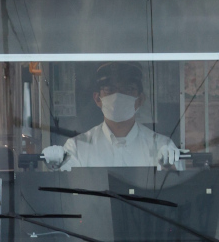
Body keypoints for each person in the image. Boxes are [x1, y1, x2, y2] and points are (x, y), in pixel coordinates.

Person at [42, 61, 183, 171]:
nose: (118, 96)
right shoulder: (77, 148)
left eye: (128, 89)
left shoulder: (162, 147)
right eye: (110, 89)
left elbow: (175, 190)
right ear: (97, 99)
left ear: (140, 99)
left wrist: (170, 166)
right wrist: (57, 163)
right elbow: (67, 192)